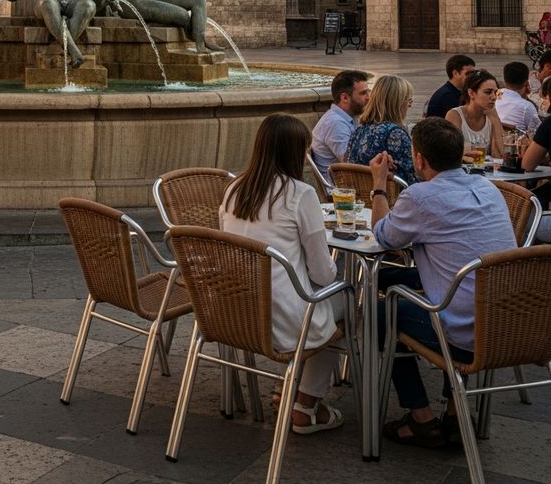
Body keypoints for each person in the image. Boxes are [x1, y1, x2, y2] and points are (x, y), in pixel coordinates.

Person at [371, 118, 515, 447]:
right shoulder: (486, 187)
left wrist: (379, 184)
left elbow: (383, 236)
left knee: (380, 314)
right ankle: (454, 412)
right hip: (508, 316)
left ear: (419, 159)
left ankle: (422, 419)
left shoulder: (421, 197)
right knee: (389, 277)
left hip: (465, 332)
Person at [220, 113, 344, 435]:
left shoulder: (234, 190)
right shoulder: (301, 194)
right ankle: (305, 405)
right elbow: (323, 274)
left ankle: (284, 389)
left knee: (314, 301)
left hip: (233, 311)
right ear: (294, 152)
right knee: (345, 309)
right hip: (281, 320)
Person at [345, 75, 416, 185]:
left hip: (361, 195)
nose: (410, 106)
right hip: (390, 197)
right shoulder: (395, 133)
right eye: (409, 101)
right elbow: (411, 178)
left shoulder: (358, 131)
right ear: (398, 103)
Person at [310, 70, 371, 181]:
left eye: (368, 92)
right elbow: (352, 163)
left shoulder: (346, 118)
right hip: (341, 190)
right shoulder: (335, 123)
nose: (368, 97)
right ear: (345, 98)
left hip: (348, 184)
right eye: (363, 93)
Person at [445, 68, 504, 159]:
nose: (493, 97)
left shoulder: (490, 116)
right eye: (488, 92)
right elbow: (452, 153)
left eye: (496, 92)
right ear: (471, 93)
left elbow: (500, 154)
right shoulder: (455, 115)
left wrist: (495, 118)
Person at [425, 54, 475, 119]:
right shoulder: (447, 96)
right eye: (468, 73)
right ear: (455, 73)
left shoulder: (455, 91)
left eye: (473, 73)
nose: (472, 76)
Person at [495, 61, 539, 133]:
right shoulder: (527, 106)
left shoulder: (496, 94)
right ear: (526, 83)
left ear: (505, 81)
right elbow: (537, 133)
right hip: (517, 141)